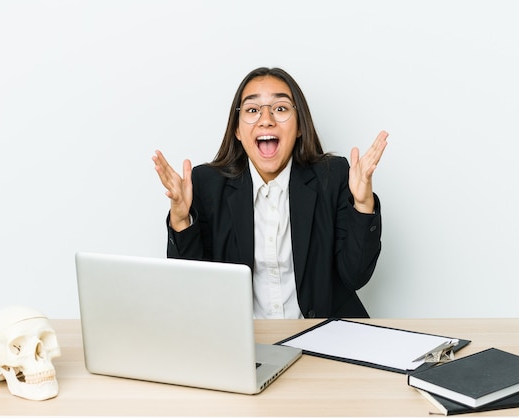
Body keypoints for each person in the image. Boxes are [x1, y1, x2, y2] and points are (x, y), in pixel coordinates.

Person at [152, 67, 388, 319]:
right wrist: (180, 220)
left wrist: (363, 204)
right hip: (244, 342)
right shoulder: (207, 184)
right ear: (237, 130)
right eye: (253, 110)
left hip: (324, 336)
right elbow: (193, 290)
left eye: (281, 108)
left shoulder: (334, 176)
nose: (266, 119)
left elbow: (355, 275)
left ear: (299, 127)